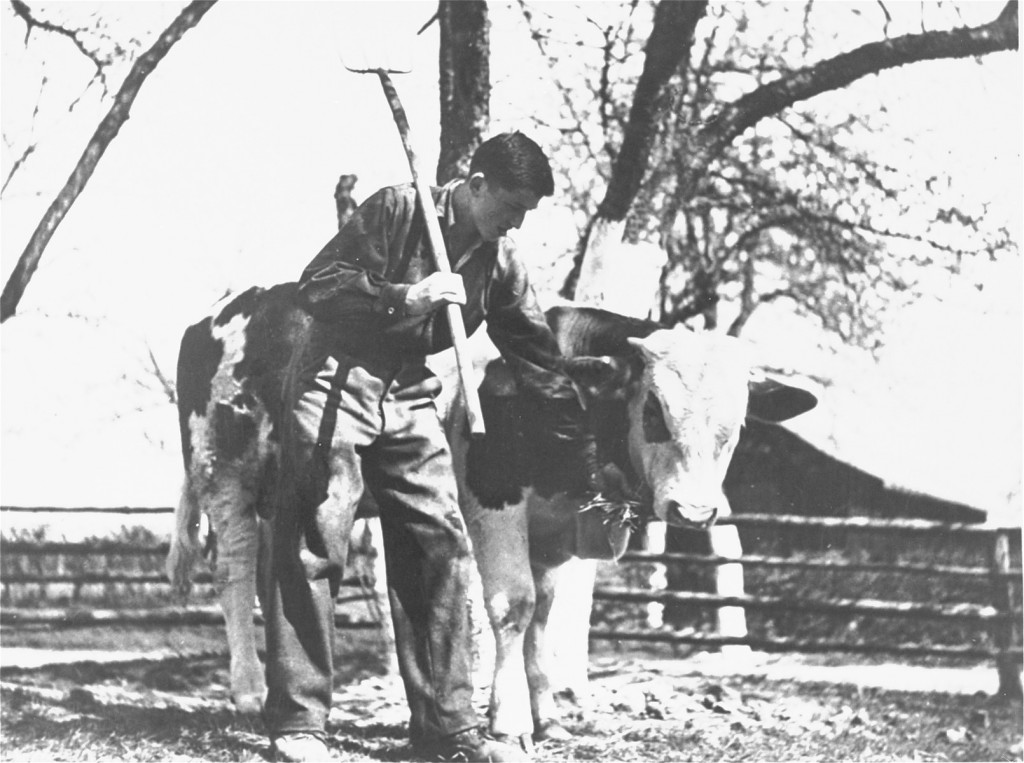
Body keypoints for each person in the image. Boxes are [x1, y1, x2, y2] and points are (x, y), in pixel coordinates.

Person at [264, 132, 604, 762]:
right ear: (476, 185)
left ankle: (445, 730)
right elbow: (317, 286)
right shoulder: (398, 208)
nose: (515, 222)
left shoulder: (500, 261)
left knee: (440, 544)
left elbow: (533, 351)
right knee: (317, 539)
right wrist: (402, 296)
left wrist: (581, 451)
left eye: (527, 213)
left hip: (412, 389)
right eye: (510, 206)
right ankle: (299, 724)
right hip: (335, 376)